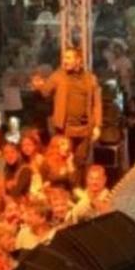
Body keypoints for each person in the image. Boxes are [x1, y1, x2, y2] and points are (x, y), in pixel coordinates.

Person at [32, 48, 103, 176]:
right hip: (65, 128)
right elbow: (45, 91)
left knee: (80, 161)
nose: (65, 61)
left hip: (84, 128)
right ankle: (66, 185)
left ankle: (78, 184)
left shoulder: (90, 78)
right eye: (64, 58)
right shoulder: (58, 76)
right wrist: (39, 85)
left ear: (78, 60)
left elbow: (97, 103)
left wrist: (97, 125)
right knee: (64, 160)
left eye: (69, 58)